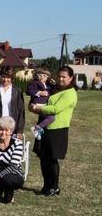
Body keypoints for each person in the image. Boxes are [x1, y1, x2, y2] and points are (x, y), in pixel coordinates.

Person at [30, 66, 78, 197]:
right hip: (44, 128)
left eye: (64, 77)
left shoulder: (70, 93)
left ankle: (54, 187)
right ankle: (46, 185)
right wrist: (35, 105)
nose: (61, 79)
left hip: (57, 130)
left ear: (71, 78)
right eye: (59, 76)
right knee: (43, 158)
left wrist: (37, 108)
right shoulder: (55, 89)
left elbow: (55, 109)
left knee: (51, 159)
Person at [0, 116, 24, 204]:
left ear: (11, 131)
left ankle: (9, 192)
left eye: (6, 130)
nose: (3, 132)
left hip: (13, 173)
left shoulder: (17, 143)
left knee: (7, 196)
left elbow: (13, 166)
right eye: (1, 129)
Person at [0, 66, 25, 138]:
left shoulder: (17, 90)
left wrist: (20, 130)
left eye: (8, 77)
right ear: (0, 77)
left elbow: (21, 110)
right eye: (3, 77)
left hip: (12, 126)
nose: (5, 79)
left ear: (12, 78)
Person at [26, 68, 55, 140]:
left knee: (50, 117)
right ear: (38, 75)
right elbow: (28, 91)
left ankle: (39, 130)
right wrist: (39, 92)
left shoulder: (48, 85)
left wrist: (53, 83)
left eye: (45, 76)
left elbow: (53, 90)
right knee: (51, 117)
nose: (43, 77)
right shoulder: (34, 83)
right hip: (37, 104)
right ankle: (37, 128)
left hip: (45, 104)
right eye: (41, 75)